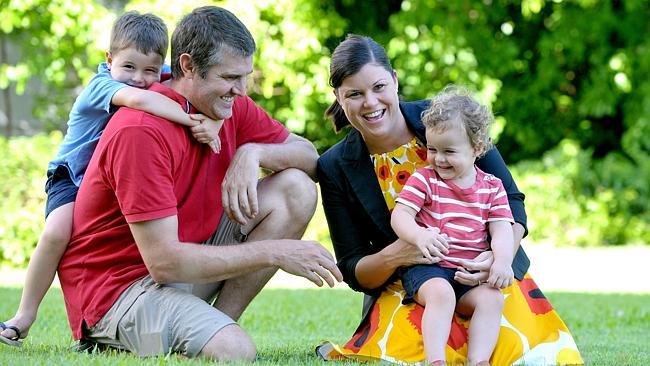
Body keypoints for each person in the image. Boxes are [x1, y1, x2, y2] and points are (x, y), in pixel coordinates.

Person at [54, 6, 341, 361]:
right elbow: (164, 263)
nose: (241, 89)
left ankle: (219, 323)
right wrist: (279, 252)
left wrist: (253, 154)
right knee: (235, 352)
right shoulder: (139, 130)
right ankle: (185, 335)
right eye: (230, 77)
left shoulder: (228, 106)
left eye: (245, 76)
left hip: (179, 266)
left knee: (295, 187)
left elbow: (309, 157)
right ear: (188, 66)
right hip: (119, 293)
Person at [316, 34, 583, 365]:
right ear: (338, 98)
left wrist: (496, 258)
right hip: (414, 286)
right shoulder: (334, 166)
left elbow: (511, 203)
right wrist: (398, 253)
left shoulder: (446, 119)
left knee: (527, 350)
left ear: (396, 80)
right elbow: (355, 269)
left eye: (379, 87)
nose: (370, 102)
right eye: (354, 94)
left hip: (483, 270)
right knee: (409, 349)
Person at [0, 11, 225, 348]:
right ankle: (24, 315)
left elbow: (206, 92)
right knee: (58, 232)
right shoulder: (102, 85)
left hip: (105, 181)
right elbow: (139, 99)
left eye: (150, 70)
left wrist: (217, 122)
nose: (138, 78)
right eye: (129, 67)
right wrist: (193, 121)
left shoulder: (158, 76)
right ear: (109, 59)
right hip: (71, 176)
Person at [391, 87, 517, 365]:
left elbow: (502, 230)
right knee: (442, 294)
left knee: (492, 300)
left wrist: (502, 261)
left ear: (477, 148)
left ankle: (479, 360)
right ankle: (436, 360)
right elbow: (400, 215)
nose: (439, 159)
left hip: (469, 273)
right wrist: (419, 236)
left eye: (449, 151)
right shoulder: (425, 179)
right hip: (429, 269)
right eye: (432, 149)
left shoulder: (492, 187)